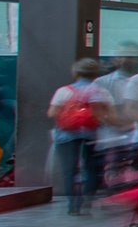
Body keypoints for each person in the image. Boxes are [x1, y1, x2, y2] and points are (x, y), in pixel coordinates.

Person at [48, 59, 112, 215]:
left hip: (65, 136)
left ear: (75, 73)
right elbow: (104, 114)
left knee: (69, 170)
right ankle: (88, 201)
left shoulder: (64, 91)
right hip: (90, 135)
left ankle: (73, 205)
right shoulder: (99, 91)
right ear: (95, 74)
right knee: (90, 168)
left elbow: (52, 113)